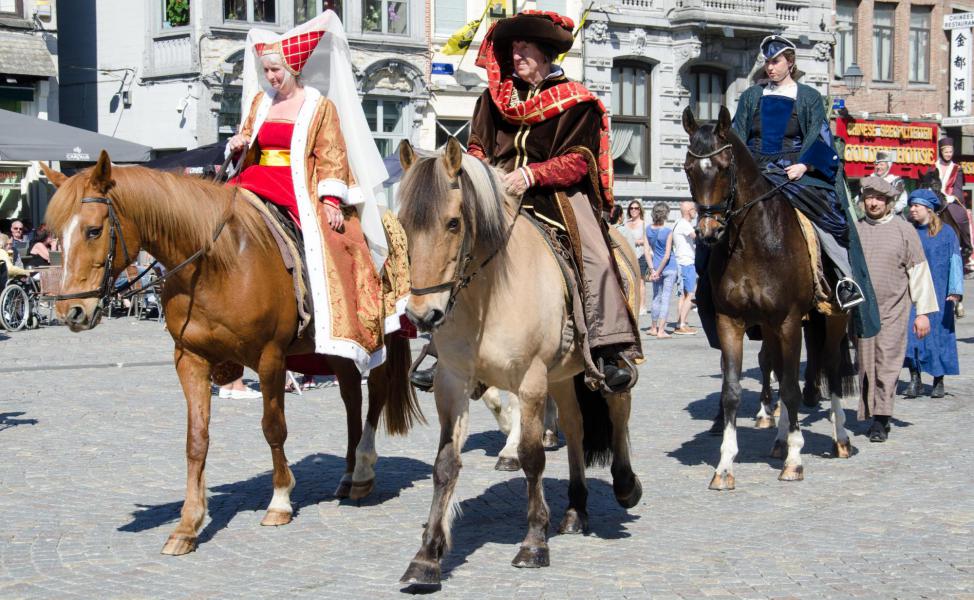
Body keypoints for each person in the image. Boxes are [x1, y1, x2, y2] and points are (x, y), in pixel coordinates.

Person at [412, 10, 642, 392]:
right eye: (513, 49)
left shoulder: (577, 102)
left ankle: (607, 347)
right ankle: (442, 347)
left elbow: (579, 159)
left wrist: (531, 174)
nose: (515, 56)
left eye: (525, 49)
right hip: (495, 191)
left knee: (595, 253)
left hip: (555, 195)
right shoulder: (493, 99)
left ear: (546, 53)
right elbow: (476, 146)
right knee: (455, 241)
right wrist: (482, 171)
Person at [225, 11, 404, 378]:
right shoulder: (260, 102)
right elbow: (249, 141)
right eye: (268, 71)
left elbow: (331, 153)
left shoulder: (318, 105)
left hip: (298, 181)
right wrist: (238, 144)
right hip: (255, 177)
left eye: (277, 70)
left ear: (293, 68)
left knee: (335, 243)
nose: (272, 77)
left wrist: (331, 199)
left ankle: (323, 312)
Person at [855, 177, 937, 442]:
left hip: (893, 309)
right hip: (862, 313)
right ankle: (871, 411)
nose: (874, 202)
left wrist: (923, 313)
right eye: (869, 197)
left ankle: (882, 419)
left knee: (887, 363)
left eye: (879, 198)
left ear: (889, 202)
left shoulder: (904, 230)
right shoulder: (854, 230)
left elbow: (920, 273)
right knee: (865, 365)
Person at [903, 189, 963, 399]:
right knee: (912, 335)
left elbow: (955, 260)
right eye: (911, 206)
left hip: (940, 292)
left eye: (916, 206)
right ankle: (915, 378)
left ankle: (938, 379)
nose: (912, 210)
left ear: (929, 209)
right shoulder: (908, 231)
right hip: (914, 293)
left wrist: (955, 290)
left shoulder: (946, 233)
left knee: (938, 336)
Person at [646, 202, 677, 339]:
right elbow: (667, 255)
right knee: (665, 298)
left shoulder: (647, 229)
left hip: (654, 266)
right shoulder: (668, 231)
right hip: (668, 268)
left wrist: (653, 270)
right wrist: (658, 271)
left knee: (656, 297)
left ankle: (653, 328)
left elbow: (647, 251)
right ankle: (661, 331)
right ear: (665, 214)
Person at [672, 200, 697, 335]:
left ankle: (680, 322)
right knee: (690, 294)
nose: (696, 212)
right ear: (689, 211)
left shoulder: (678, 222)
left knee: (683, 295)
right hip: (686, 262)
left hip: (681, 261)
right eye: (694, 209)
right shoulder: (685, 225)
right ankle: (681, 324)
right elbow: (698, 237)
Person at [622, 200, 651, 315]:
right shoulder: (626, 223)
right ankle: (631, 304)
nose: (634, 210)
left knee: (640, 282)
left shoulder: (644, 224)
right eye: (631, 208)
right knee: (629, 280)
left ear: (640, 210)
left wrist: (638, 241)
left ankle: (642, 306)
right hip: (628, 255)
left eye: (636, 208)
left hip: (641, 255)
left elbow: (648, 240)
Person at [872, 150, 908, 215]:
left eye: (881, 164)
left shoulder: (896, 181)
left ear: (888, 165)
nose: (878, 167)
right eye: (876, 164)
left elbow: (902, 201)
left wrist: (888, 211)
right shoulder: (870, 180)